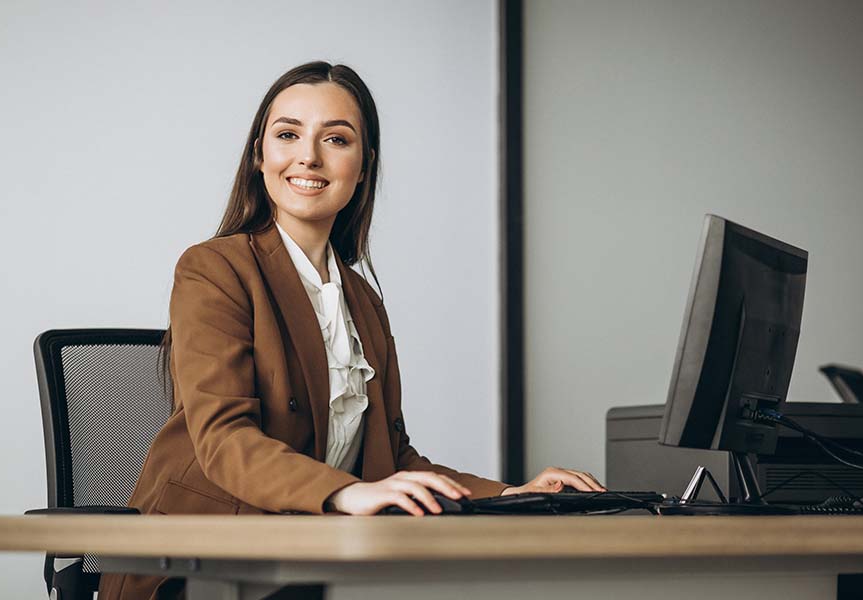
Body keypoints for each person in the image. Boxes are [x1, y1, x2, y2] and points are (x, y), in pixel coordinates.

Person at [98, 61, 603, 600]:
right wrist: (346, 493)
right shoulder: (214, 269)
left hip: (311, 559)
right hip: (200, 565)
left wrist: (510, 496)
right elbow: (225, 441)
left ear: (364, 167)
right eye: (288, 135)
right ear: (259, 155)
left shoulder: (362, 301)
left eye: (336, 139)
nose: (308, 157)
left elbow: (394, 459)